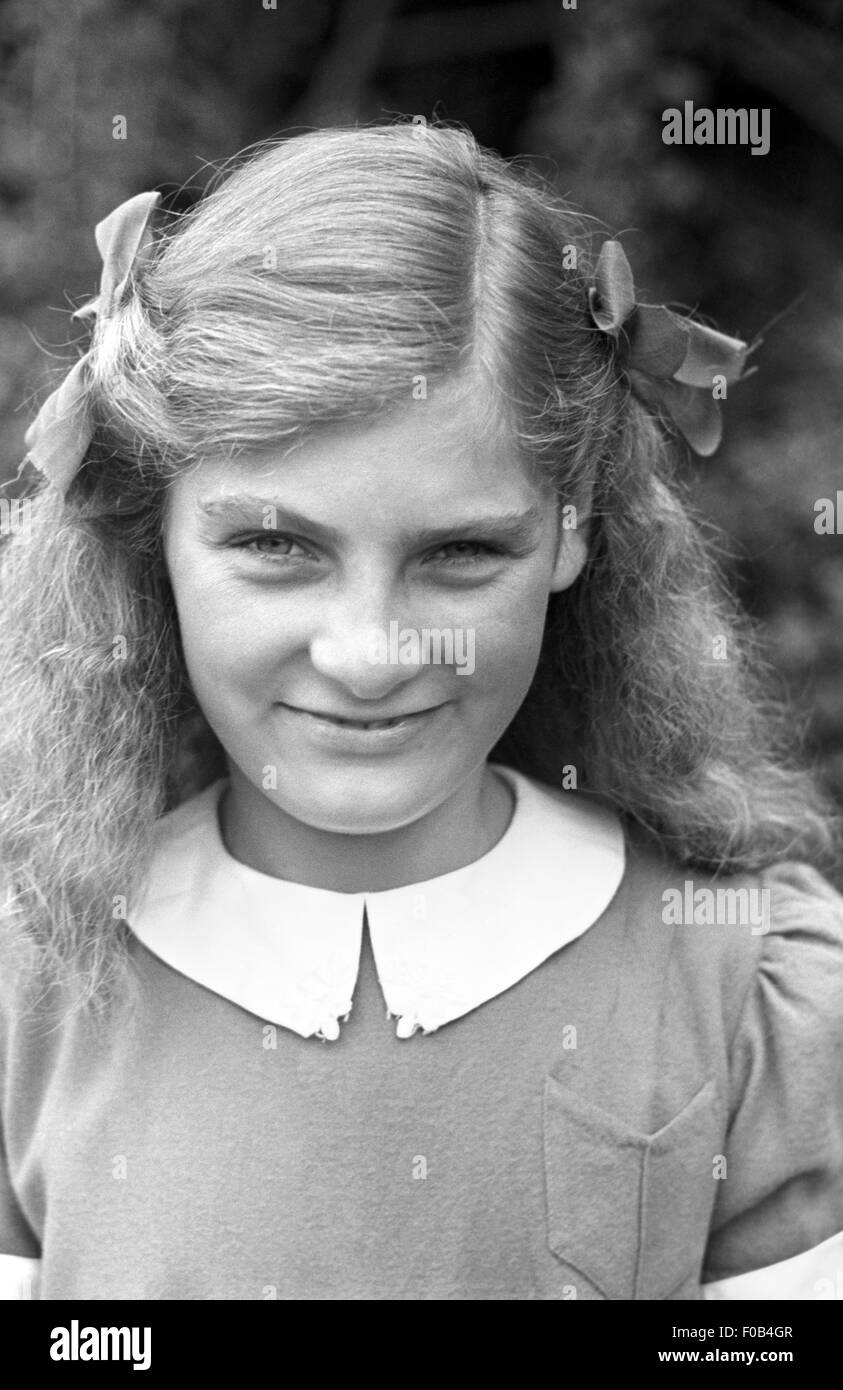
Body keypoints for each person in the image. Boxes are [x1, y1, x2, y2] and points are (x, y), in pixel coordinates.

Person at [1, 122, 842, 1301]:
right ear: (155, 528)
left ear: (575, 526)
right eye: (277, 544)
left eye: (457, 551)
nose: (369, 654)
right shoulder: (28, 990)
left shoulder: (743, 985)